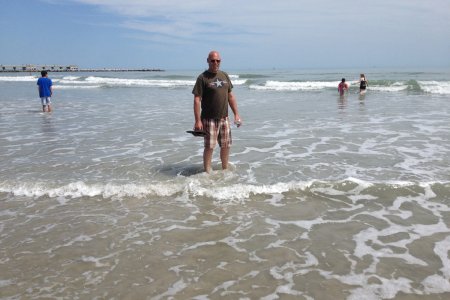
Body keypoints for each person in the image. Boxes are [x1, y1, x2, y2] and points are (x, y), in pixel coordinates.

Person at [192, 50, 242, 173]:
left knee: (226, 146)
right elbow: (197, 100)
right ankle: (207, 172)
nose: (215, 63)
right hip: (209, 119)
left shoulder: (224, 75)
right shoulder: (202, 78)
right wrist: (198, 120)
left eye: (218, 60)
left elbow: (230, 96)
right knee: (209, 147)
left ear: (220, 61)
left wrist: (236, 114)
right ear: (208, 61)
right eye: (213, 60)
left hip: (224, 118)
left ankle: (225, 170)